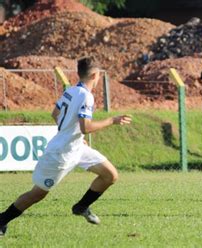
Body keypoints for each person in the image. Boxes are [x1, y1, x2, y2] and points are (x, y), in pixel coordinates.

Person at [0, 57, 132, 236]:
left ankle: (81, 206)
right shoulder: (86, 96)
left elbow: (55, 113)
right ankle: (2, 219)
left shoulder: (71, 90)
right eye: (99, 75)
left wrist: (72, 133)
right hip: (61, 154)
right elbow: (86, 127)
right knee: (37, 194)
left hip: (76, 147)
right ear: (95, 75)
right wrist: (112, 120)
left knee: (110, 175)